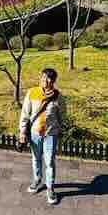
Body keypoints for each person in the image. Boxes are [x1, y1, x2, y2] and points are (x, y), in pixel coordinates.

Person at [19, 68, 63, 204]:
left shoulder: (57, 96)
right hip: (34, 133)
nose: (45, 80)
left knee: (49, 161)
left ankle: (50, 187)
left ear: (53, 81)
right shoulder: (32, 92)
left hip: (50, 134)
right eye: (43, 77)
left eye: (49, 78)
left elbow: (62, 114)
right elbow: (25, 114)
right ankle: (37, 180)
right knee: (36, 158)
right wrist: (22, 131)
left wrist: (60, 127)